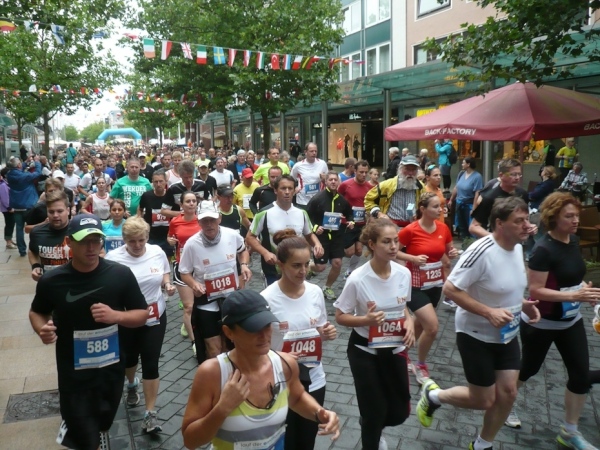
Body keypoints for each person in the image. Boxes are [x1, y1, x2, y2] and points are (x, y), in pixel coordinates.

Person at [416, 197, 541, 450]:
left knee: (508, 393)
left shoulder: (518, 248)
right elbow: (450, 289)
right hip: (475, 334)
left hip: (507, 334)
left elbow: (502, 286)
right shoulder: (481, 251)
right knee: (483, 399)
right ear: (499, 224)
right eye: (519, 221)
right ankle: (434, 396)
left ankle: (483, 445)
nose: (526, 225)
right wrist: (488, 312)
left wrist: (522, 304)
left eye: (527, 219)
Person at [29, 214, 148, 450]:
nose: (91, 247)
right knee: (84, 434)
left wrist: (116, 316)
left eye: (96, 240)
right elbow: (37, 312)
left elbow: (142, 314)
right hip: (74, 374)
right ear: (69, 242)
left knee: (103, 422)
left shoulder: (120, 274)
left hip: (111, 370)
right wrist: (42, 329)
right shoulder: (52, 281)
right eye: (84, 241)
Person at [181, 289, 340, 449]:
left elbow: (297, 398)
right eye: (253, 329)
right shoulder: (212, 373)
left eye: (267, 325)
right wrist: (223, 408)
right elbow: (190, 441)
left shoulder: (285, 363)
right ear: (228, 332)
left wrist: (320, 413)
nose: (264, 336)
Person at [506, 192, 600, 448]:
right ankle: (503, 403)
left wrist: (585, 292)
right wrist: (575, 295)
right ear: (553, 217)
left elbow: (570, 278)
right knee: (528, 369)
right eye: (569, 216)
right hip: (541, 321)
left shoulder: (573, 240)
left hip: (570, 321)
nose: (575, 220)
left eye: (576, 215)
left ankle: (569, 432)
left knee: (580, 376)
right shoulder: (543, 250)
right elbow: (536, 290)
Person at [334, 218, 415, 450]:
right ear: (372, 244)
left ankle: (374, 425)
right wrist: (365, 320)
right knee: (373, 410)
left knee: (399, 411)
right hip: (364, 350)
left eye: (396, 241)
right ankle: (372, 433)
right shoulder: (358, 278)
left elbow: (403, 306)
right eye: (386, 242)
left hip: (395, 348)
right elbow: (340, 316)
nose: (393, 246)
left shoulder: (403, 273)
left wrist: (410, 323)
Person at [261, 230, 338, 450]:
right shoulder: (266, 299)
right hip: (280, 381)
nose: (303, 271)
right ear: (280, 265)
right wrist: (280, 356)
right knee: (283, 440)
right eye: (296, 265)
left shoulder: (315, 292)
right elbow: (258, 348)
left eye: (306, 264)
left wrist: (326, 332)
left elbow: (319, 329)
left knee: (306, 440)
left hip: (314, 378)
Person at [105, 217, 176, 434]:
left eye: (141, 240)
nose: (137, 245)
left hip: (154, 315)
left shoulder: (157, 252)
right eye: (132, 241)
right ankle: (131, 384)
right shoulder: (113, 258)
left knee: (151, 361)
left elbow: (164, 271)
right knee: (130, 358)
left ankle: (150, 414)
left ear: (147, 237)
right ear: (124, 240)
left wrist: (167, 284)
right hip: (127, 317)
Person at [179, 200, 252, 363]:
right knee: (213, 348)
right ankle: (216, 376)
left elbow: (243, 251)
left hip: (230, 298)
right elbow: (184, 272)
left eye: (212, 220)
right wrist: (194, 284)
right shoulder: (192, 244)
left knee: (230, 345)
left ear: (219, 218)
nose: (209, 224)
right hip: (206, 301)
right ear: (198, 221)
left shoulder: (232, 235)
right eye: (204, 220)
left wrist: (244, 265)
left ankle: (231, 375)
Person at [396, 193, 457, 384]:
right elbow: (392, 250)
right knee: (432, 327)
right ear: (423, 209)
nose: (441, 210)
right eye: (435, 206)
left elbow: (448, 251)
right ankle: (421, 365)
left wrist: (452, 253)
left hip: (435, 283)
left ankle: (401, 352)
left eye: (441, 206)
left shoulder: (443, 228)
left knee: (420, 323)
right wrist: (412, 258)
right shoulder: (410, 230)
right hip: (414, 285)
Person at [247, 174, 324, 287]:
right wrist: (265, 253)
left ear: (294, 191)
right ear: (275, 190)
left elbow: (309, 234)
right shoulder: (264, 213)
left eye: (290, 188)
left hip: (296, 268)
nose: (287, 192)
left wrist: (317, 244)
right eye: (283, 188)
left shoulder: (302, 213)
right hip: (273, 269)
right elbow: (250, 237)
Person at [307, 171, 354, 300]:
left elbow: (350, 214)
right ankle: (309, 266)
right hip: (321, 237)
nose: (333, 182)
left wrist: (351, 222)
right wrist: (315, 227)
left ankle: (327, 287)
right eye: (331, 180)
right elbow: (307, 216)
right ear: (326, 182)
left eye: (335, 180)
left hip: (337, 237)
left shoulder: (342, 200)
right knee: (320, 267)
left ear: (338, 182)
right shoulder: (318, 198)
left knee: (337, 263)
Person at [167, 191, 201, 357]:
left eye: (194, 201)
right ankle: (195, 343)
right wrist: (170, 241)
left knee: (200, 303)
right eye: (188, 201)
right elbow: (170, 237)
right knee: (188, 306)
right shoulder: (175, 221)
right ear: (181, 204)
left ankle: (196, 325)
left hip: (200, 267)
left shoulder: (201, 220)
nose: (191, 203)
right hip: (182, 266)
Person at [469, 159, 531, 238]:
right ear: (501, 175)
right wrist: (496, 238)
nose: (517, 178)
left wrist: (530, 227)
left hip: (517, 241)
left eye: (519, 174)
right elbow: (474, 227)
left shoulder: (523, 194)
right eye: (513, 174)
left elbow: (525, 219)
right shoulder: (489, 197)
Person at [365, 154, 424, 228]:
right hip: (391, 228)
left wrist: (419, 214)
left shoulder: (421, 187)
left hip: (413, 227)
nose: (410, 173)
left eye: (413, 170)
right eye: (407, 169)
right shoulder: (387, 185)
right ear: (400, 169)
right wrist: (379, 213)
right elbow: (368, 200)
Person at [337, 160, 372, 279]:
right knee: (349, 252)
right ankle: (335, 252)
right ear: (355, 171)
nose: (364, 175)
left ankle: (349, 272)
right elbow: (338, 199)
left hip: (362, 223)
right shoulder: (346, 185)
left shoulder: (370, 187)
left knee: (359, 251)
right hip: (348, 223)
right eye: (361, 172)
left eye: (366, 172)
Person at [28, 191, 72, 282]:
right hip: (48, 284)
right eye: (51, 212)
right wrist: (35, 266)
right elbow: (32, 251)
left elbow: (100, 253)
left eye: (60, 211)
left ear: (68, 211)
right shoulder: (37, 232)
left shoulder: (78, 231)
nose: (55, 215)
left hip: (74, 284)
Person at [6, 156, 42, 256]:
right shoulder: (25, 176)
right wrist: (37, 162)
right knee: (33, 228)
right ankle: (35, 248)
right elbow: (38, 172)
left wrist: (26, 162)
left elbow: (17, 170)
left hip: (17, 206)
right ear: (18, 165)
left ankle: (22, 250)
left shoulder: (9, 175)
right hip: (29, 205)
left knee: (19, 229)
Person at [137, 169, 172, 257]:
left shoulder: (171, 195)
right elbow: (140, 209)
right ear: (152, 182)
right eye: (156, 182)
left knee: (167, 260)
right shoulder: (146, 196)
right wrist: (139, 221)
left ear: (166, 181)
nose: (158, 184)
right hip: (151, 236)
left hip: (168, 236)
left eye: (161, 181)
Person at [448, 157, 484, 240]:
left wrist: (474, 209)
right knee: (461, 226)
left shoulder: (477, 176)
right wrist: (451, 199)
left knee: (471, 226)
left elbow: (477, 193)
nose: (462, 164)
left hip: (469, 204)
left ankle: (472, 243)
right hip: (459, 203)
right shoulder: (461, 174)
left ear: (468, 164)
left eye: (463, 163)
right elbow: (456, 187)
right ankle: (465, 242)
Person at [290, 142, 329, 210]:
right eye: (311, 151)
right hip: (303, 200)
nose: (314, 153)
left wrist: (324, 179)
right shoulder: (298, 166)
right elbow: (291, 179)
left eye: (315, 151)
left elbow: (328, 179)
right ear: (305, 152)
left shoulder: (322, 164)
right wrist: (295, 187)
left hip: (318, 199)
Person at [0, 167, 16, 249]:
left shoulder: (6, 183)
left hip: (8, 207)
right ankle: (8, 242)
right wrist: (9, 208)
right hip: (7, 209)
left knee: (11, 223)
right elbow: (4, 198)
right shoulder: (3, 185)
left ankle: (10, 239)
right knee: (9, 224)